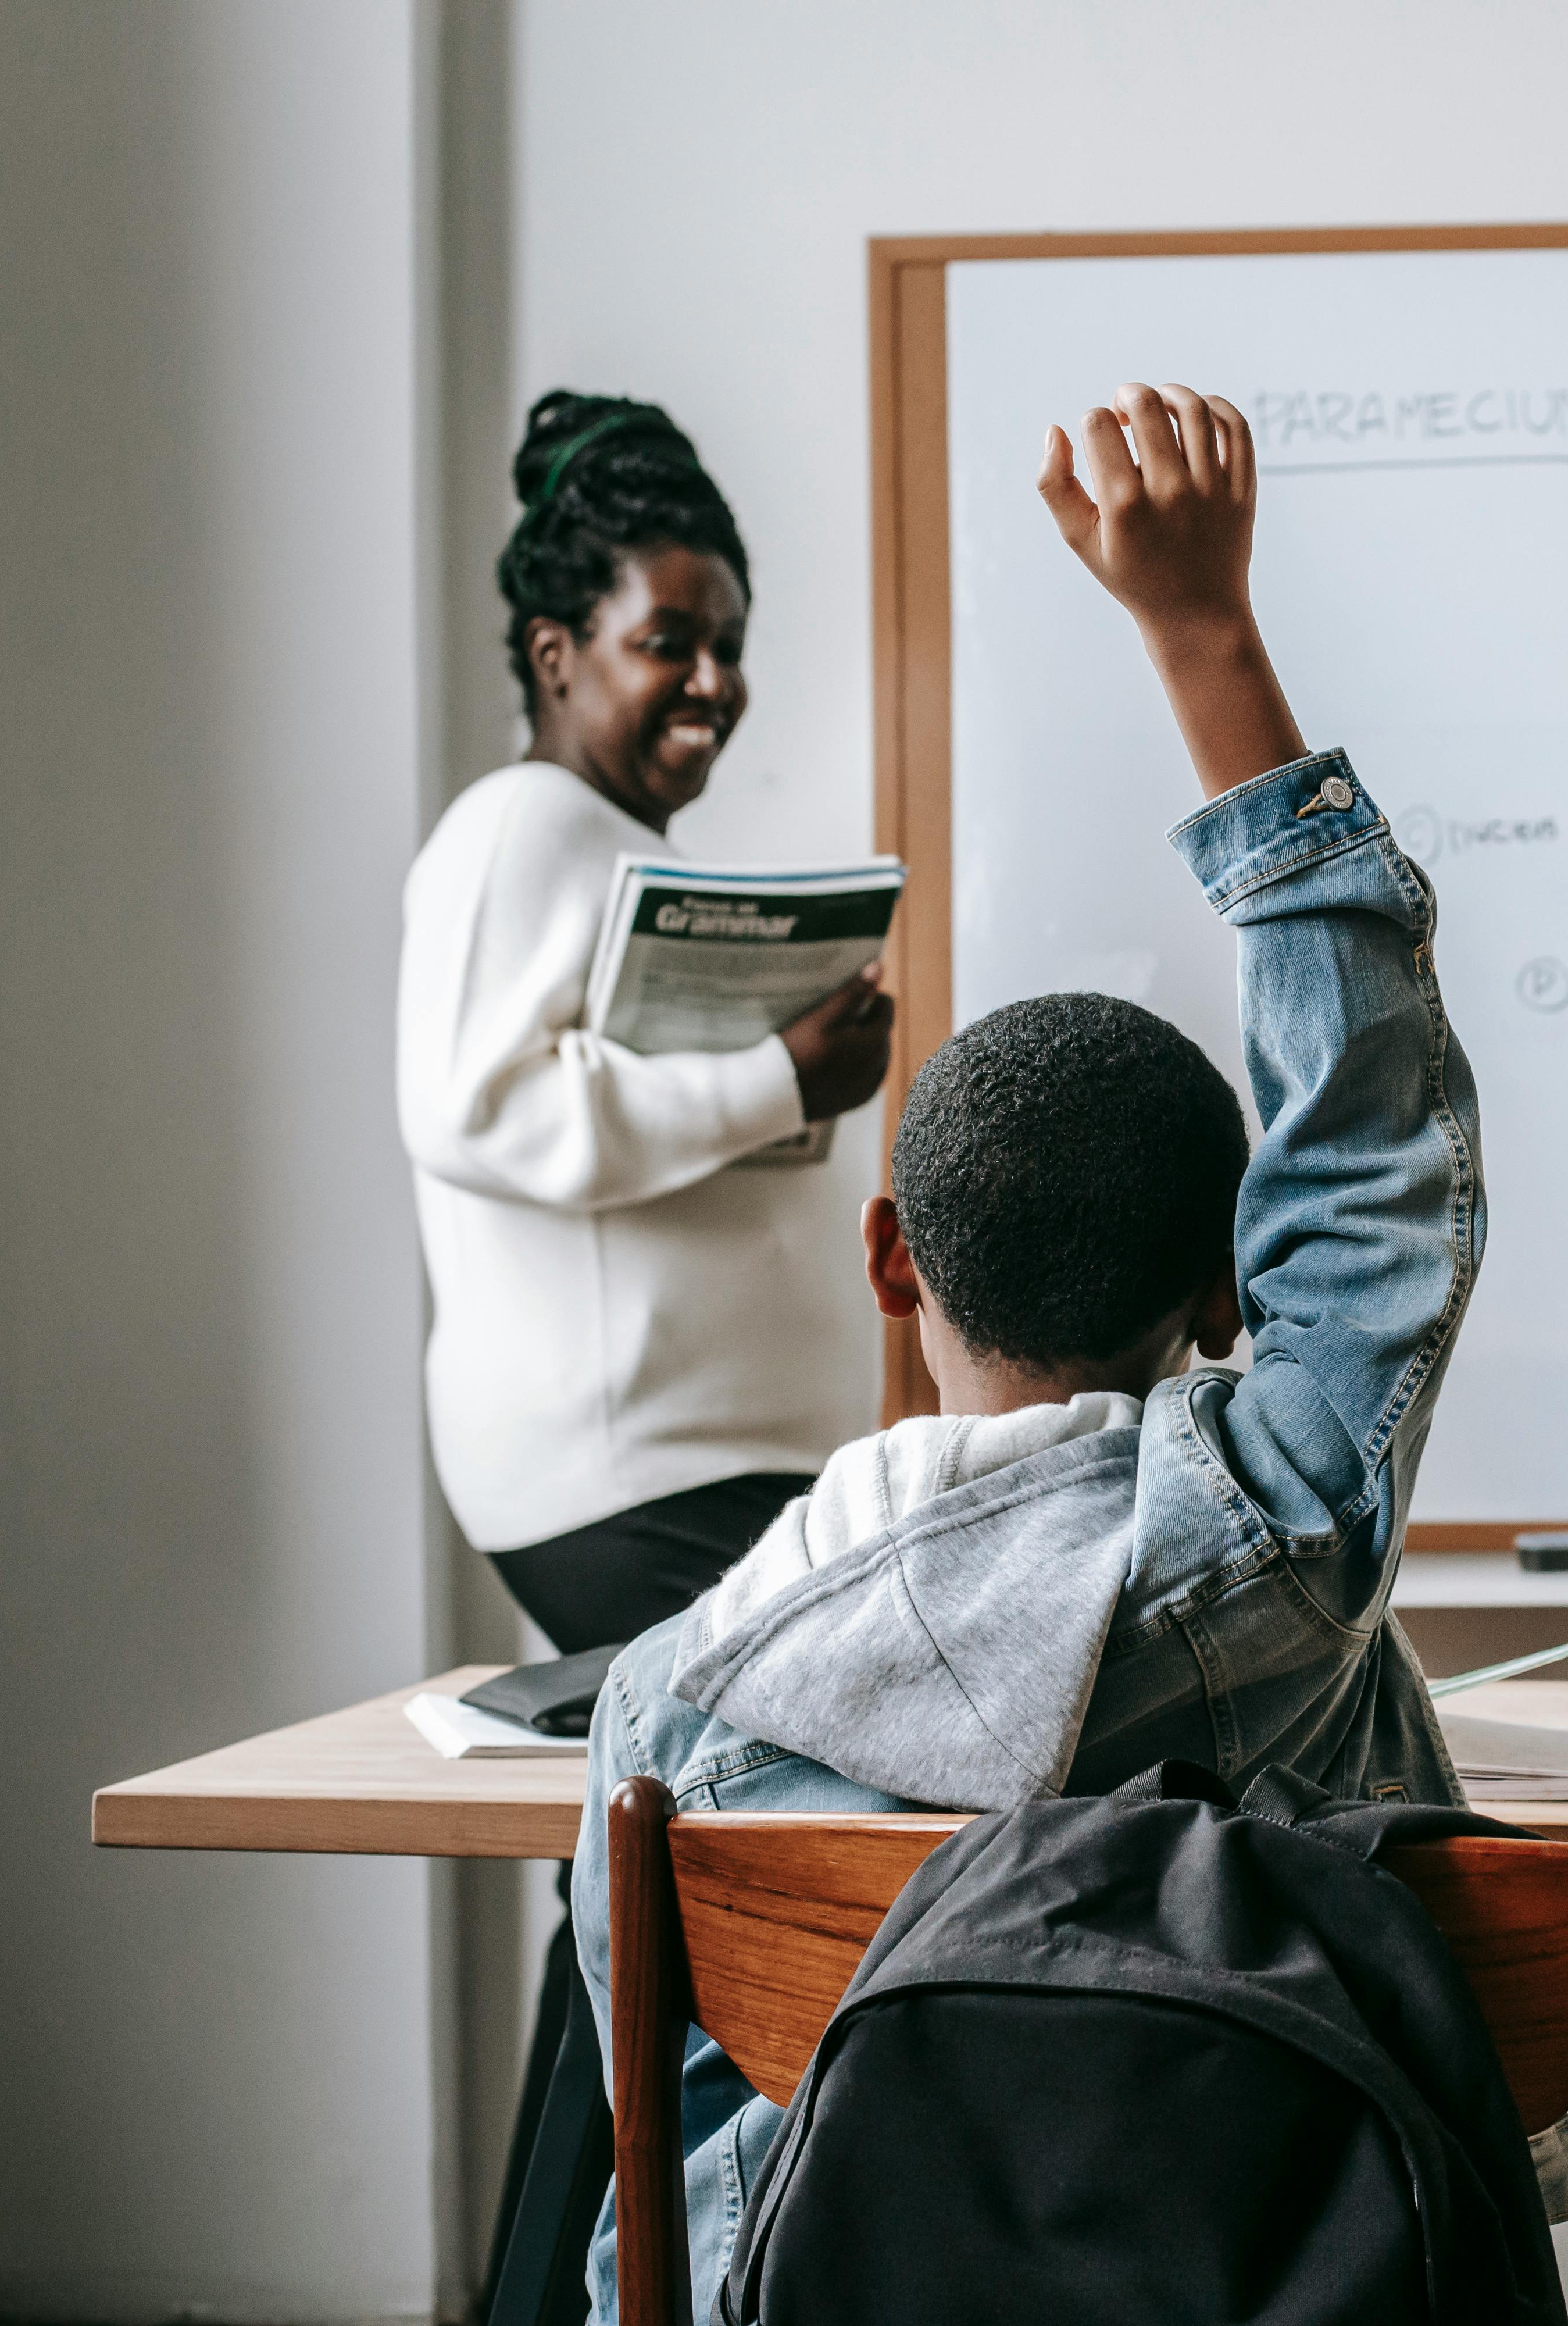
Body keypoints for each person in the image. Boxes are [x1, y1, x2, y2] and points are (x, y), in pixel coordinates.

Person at [569, 379, 1481, 2318]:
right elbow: (1371, 1155)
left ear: (893, 1263)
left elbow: (650, 2184)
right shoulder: (1276, 1549)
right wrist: (1206, 635)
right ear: (1226, 1299)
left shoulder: (671, 1714)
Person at [395, 392, 895, 2305]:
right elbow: (479, 1112)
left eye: (730, 646)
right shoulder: (523, 827)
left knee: (642, 1865)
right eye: (667, 640)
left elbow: (629, 1125)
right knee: (705, 1865)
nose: (712, 683)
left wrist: (794, 1085)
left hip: (705, 1460)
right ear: (556, 653)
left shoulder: (597, 845)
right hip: (629, 1469)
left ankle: (554, 2290)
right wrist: (778, 1071)